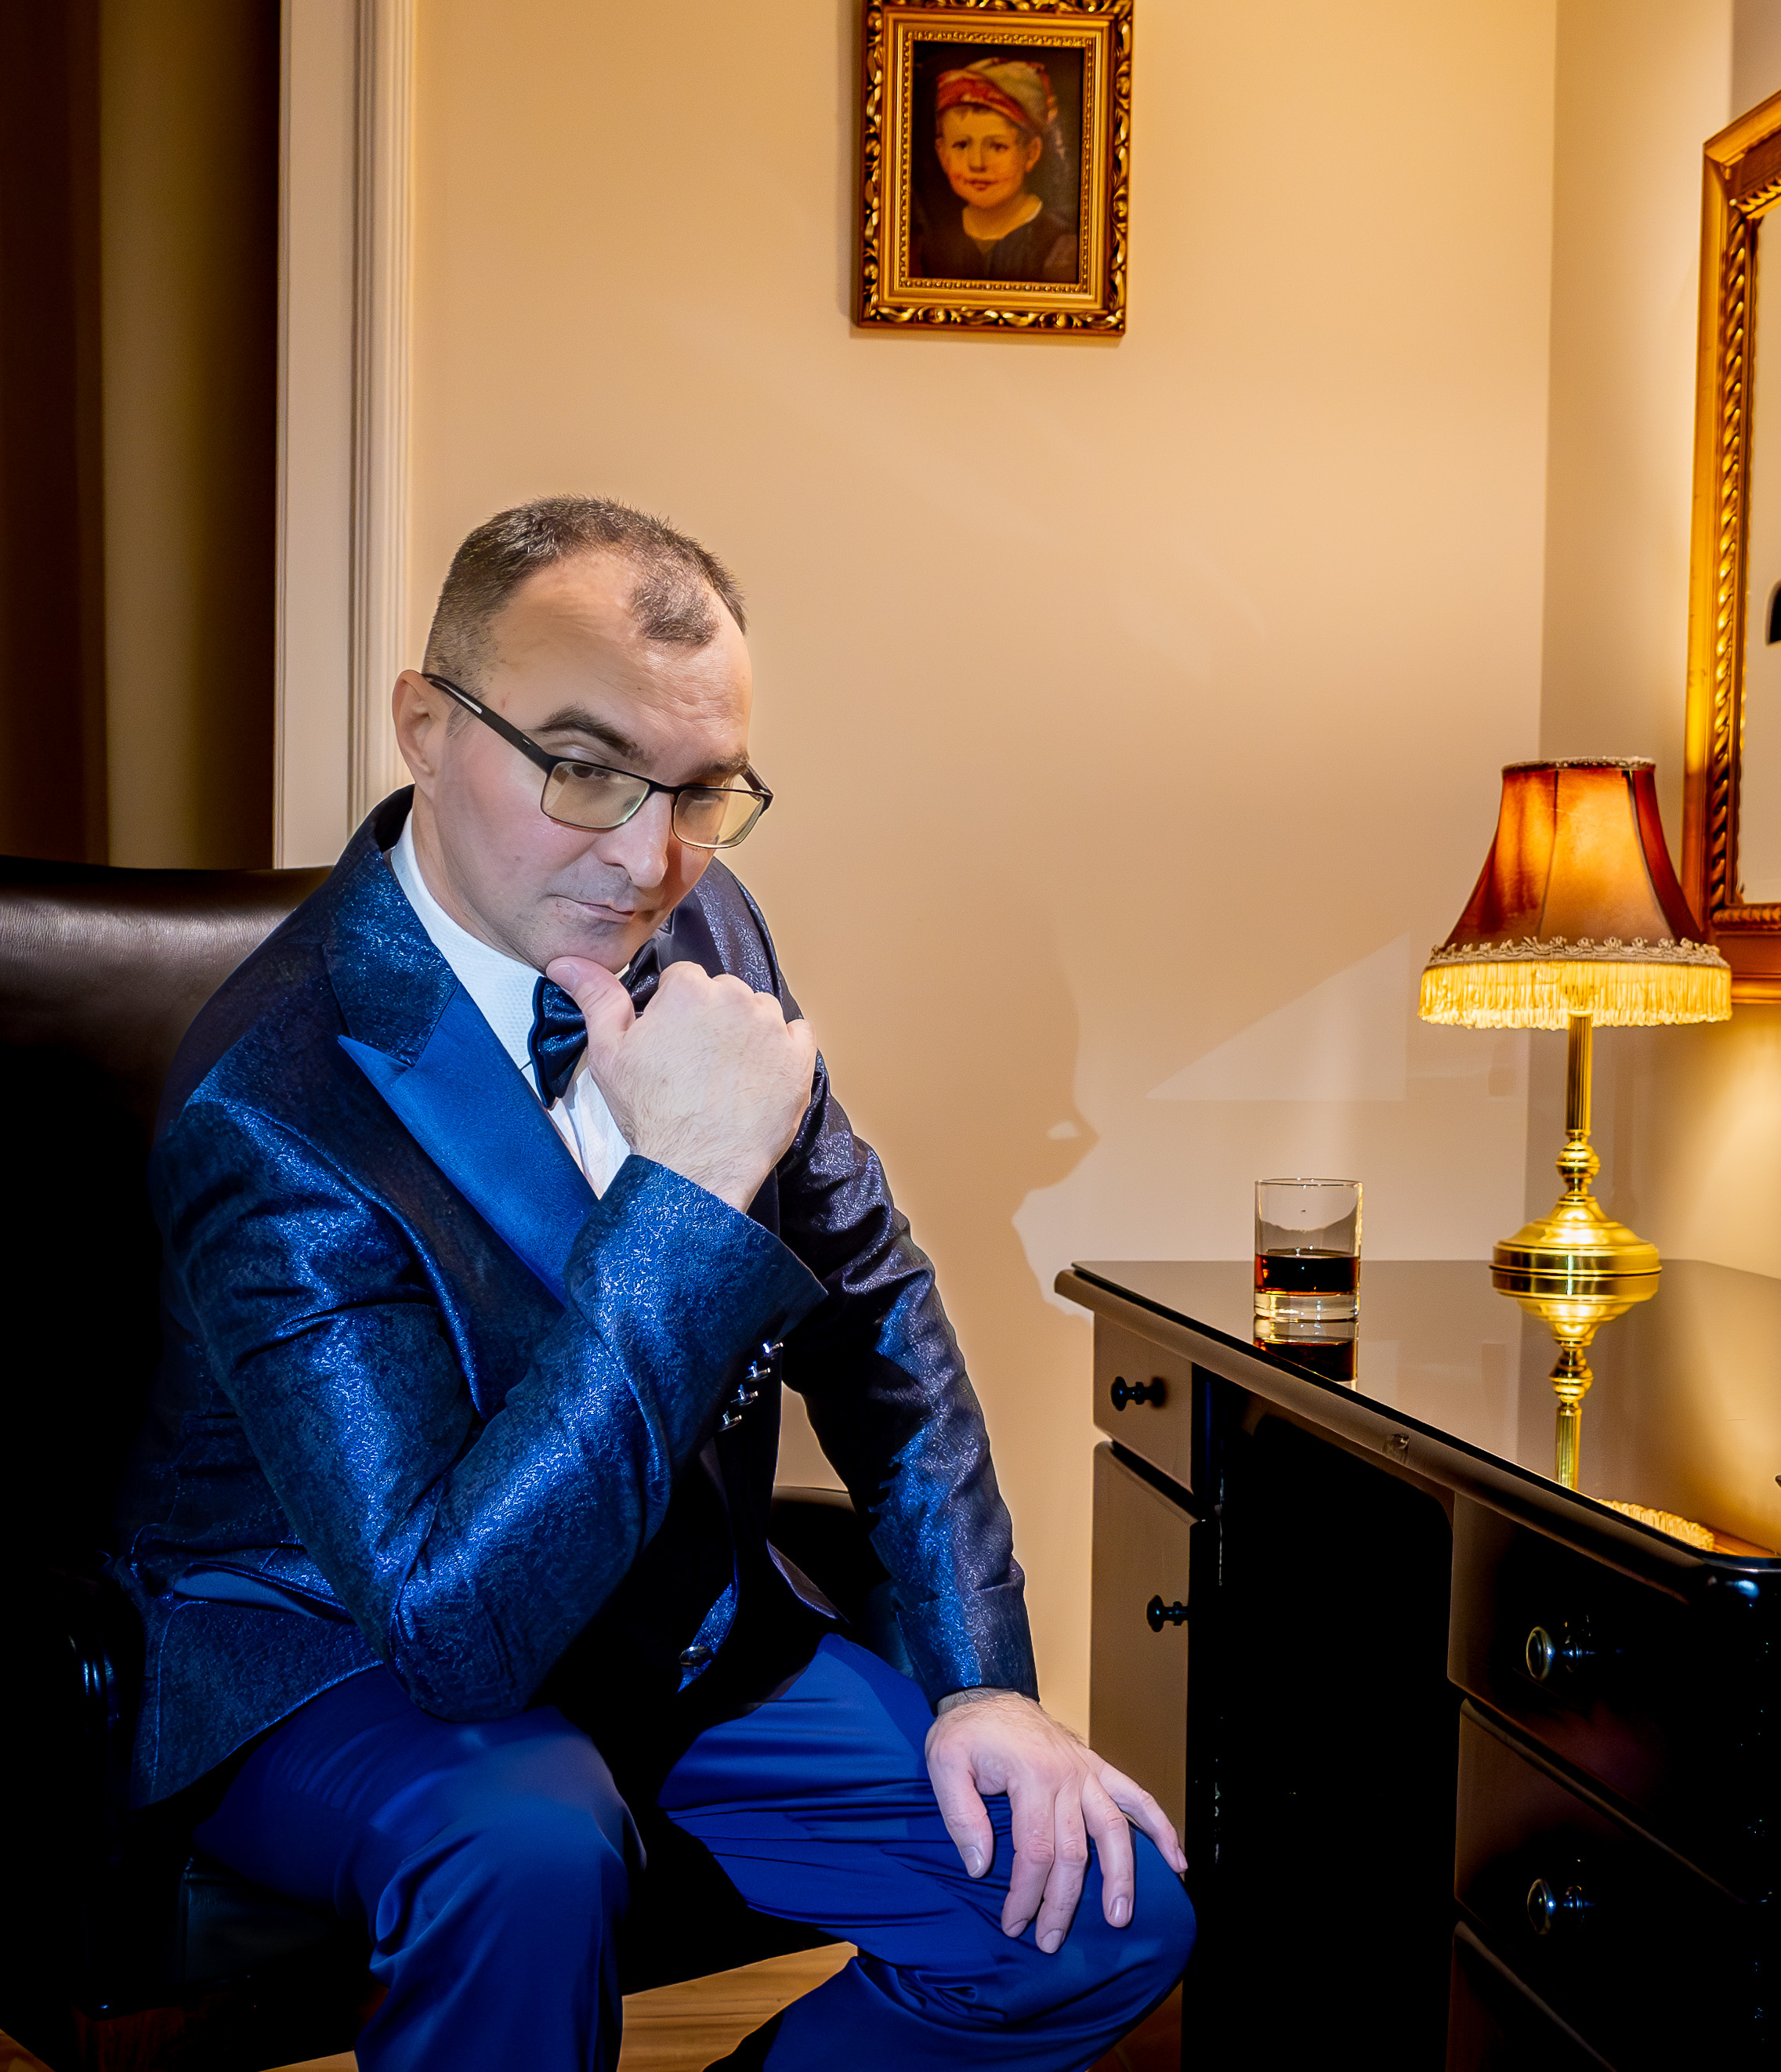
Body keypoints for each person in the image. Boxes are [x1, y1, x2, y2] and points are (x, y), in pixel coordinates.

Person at [114, 497, 1190, 2072]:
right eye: (583, 766)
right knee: (528, 1842)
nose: (645, 857)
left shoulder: (710, 925)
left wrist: (982, 1684)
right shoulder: (269, 1102)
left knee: (1096, 1916)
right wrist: (683, 1192)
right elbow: (451, 1636)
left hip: (667, 1610)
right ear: (425, 725)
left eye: (701, 790)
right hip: (333, 1641)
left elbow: (877, 1313)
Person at [910, 62, 1081, 284]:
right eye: (961, 145)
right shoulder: (929, 241)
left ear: (1031, 153)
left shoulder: (1061, 245)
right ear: (942, 154)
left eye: (997, 146)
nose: (977, 163)